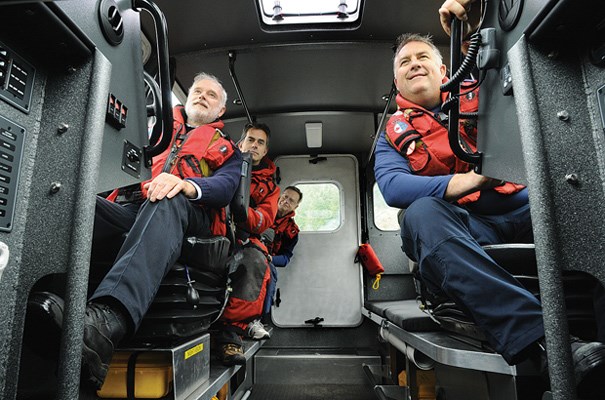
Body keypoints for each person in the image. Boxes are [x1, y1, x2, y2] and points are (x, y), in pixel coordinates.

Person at [373, 5, 605, 396]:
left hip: (528, 210)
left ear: (444, 69)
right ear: (396, 81)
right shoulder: (389, 137)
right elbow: (395, 189)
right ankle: (552, 345)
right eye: (404, 62)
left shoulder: (482, 96)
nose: (414, 64)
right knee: (420, 214)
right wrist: (471, 180)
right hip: (463, 227)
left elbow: (501, 59)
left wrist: (477, 20)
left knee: (594, 204)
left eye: (423, 57)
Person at [29, 72, 242, 389]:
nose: (202, 96)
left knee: (166, 198)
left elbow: (224, 188)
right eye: (198, 91)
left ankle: (106, 323)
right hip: (138, 208)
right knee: (79, 205)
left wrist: (185, 184)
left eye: (211, 95)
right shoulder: (156, 132)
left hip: (191, 217)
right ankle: (31, 301)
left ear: (221, 111)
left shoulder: (227, 149)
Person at [215, 122, 279, 365]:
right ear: (241, 143)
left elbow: (264, 218)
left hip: (244, 236)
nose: (255, 145)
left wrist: (244, 214)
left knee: (254, 261)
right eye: (251, 139)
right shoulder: (221, 163)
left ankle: (231, 335)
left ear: (265, 151)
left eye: (260, 142)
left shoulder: (270, 187)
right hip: (214, 228)